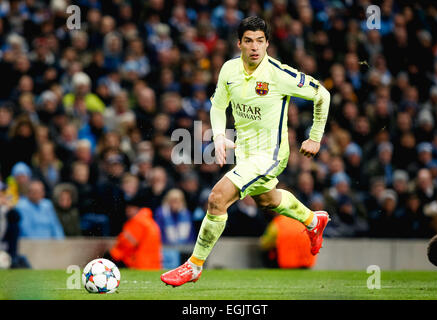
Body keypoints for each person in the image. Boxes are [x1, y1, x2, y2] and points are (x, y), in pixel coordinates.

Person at [161, 16, 331, 287]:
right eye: (249, 41)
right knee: (267, 200)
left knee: (217, 198)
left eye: (260, 41)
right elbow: (218, 106)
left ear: (267, 44)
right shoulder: (228, 69)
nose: (255, 47)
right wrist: (218, 136)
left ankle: (193, 266)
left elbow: (323, 94)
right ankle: (313, 220)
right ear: (239, 43)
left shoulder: (279, 74)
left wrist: (315, 137)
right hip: (245, 153)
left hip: (271, 154)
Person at [106, 196, 162, 270]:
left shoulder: (137, 222)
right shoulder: (149, 221)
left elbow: (127, 244)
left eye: (129, 209)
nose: (127, 211)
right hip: (153, 264)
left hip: (141, 263)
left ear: (136, 209)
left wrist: (110, 255)